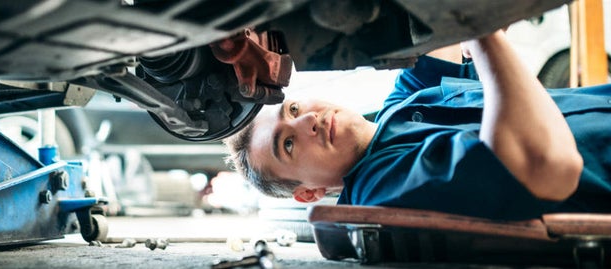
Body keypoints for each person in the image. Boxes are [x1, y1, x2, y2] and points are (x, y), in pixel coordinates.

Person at [224, 30, 611, 220]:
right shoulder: (379, 193)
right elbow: (543, 167)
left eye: (292, 109)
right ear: (310, 193)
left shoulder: (399, 107)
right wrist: (481, 31)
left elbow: (431, 35)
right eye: (287, 144)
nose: (307, 120)